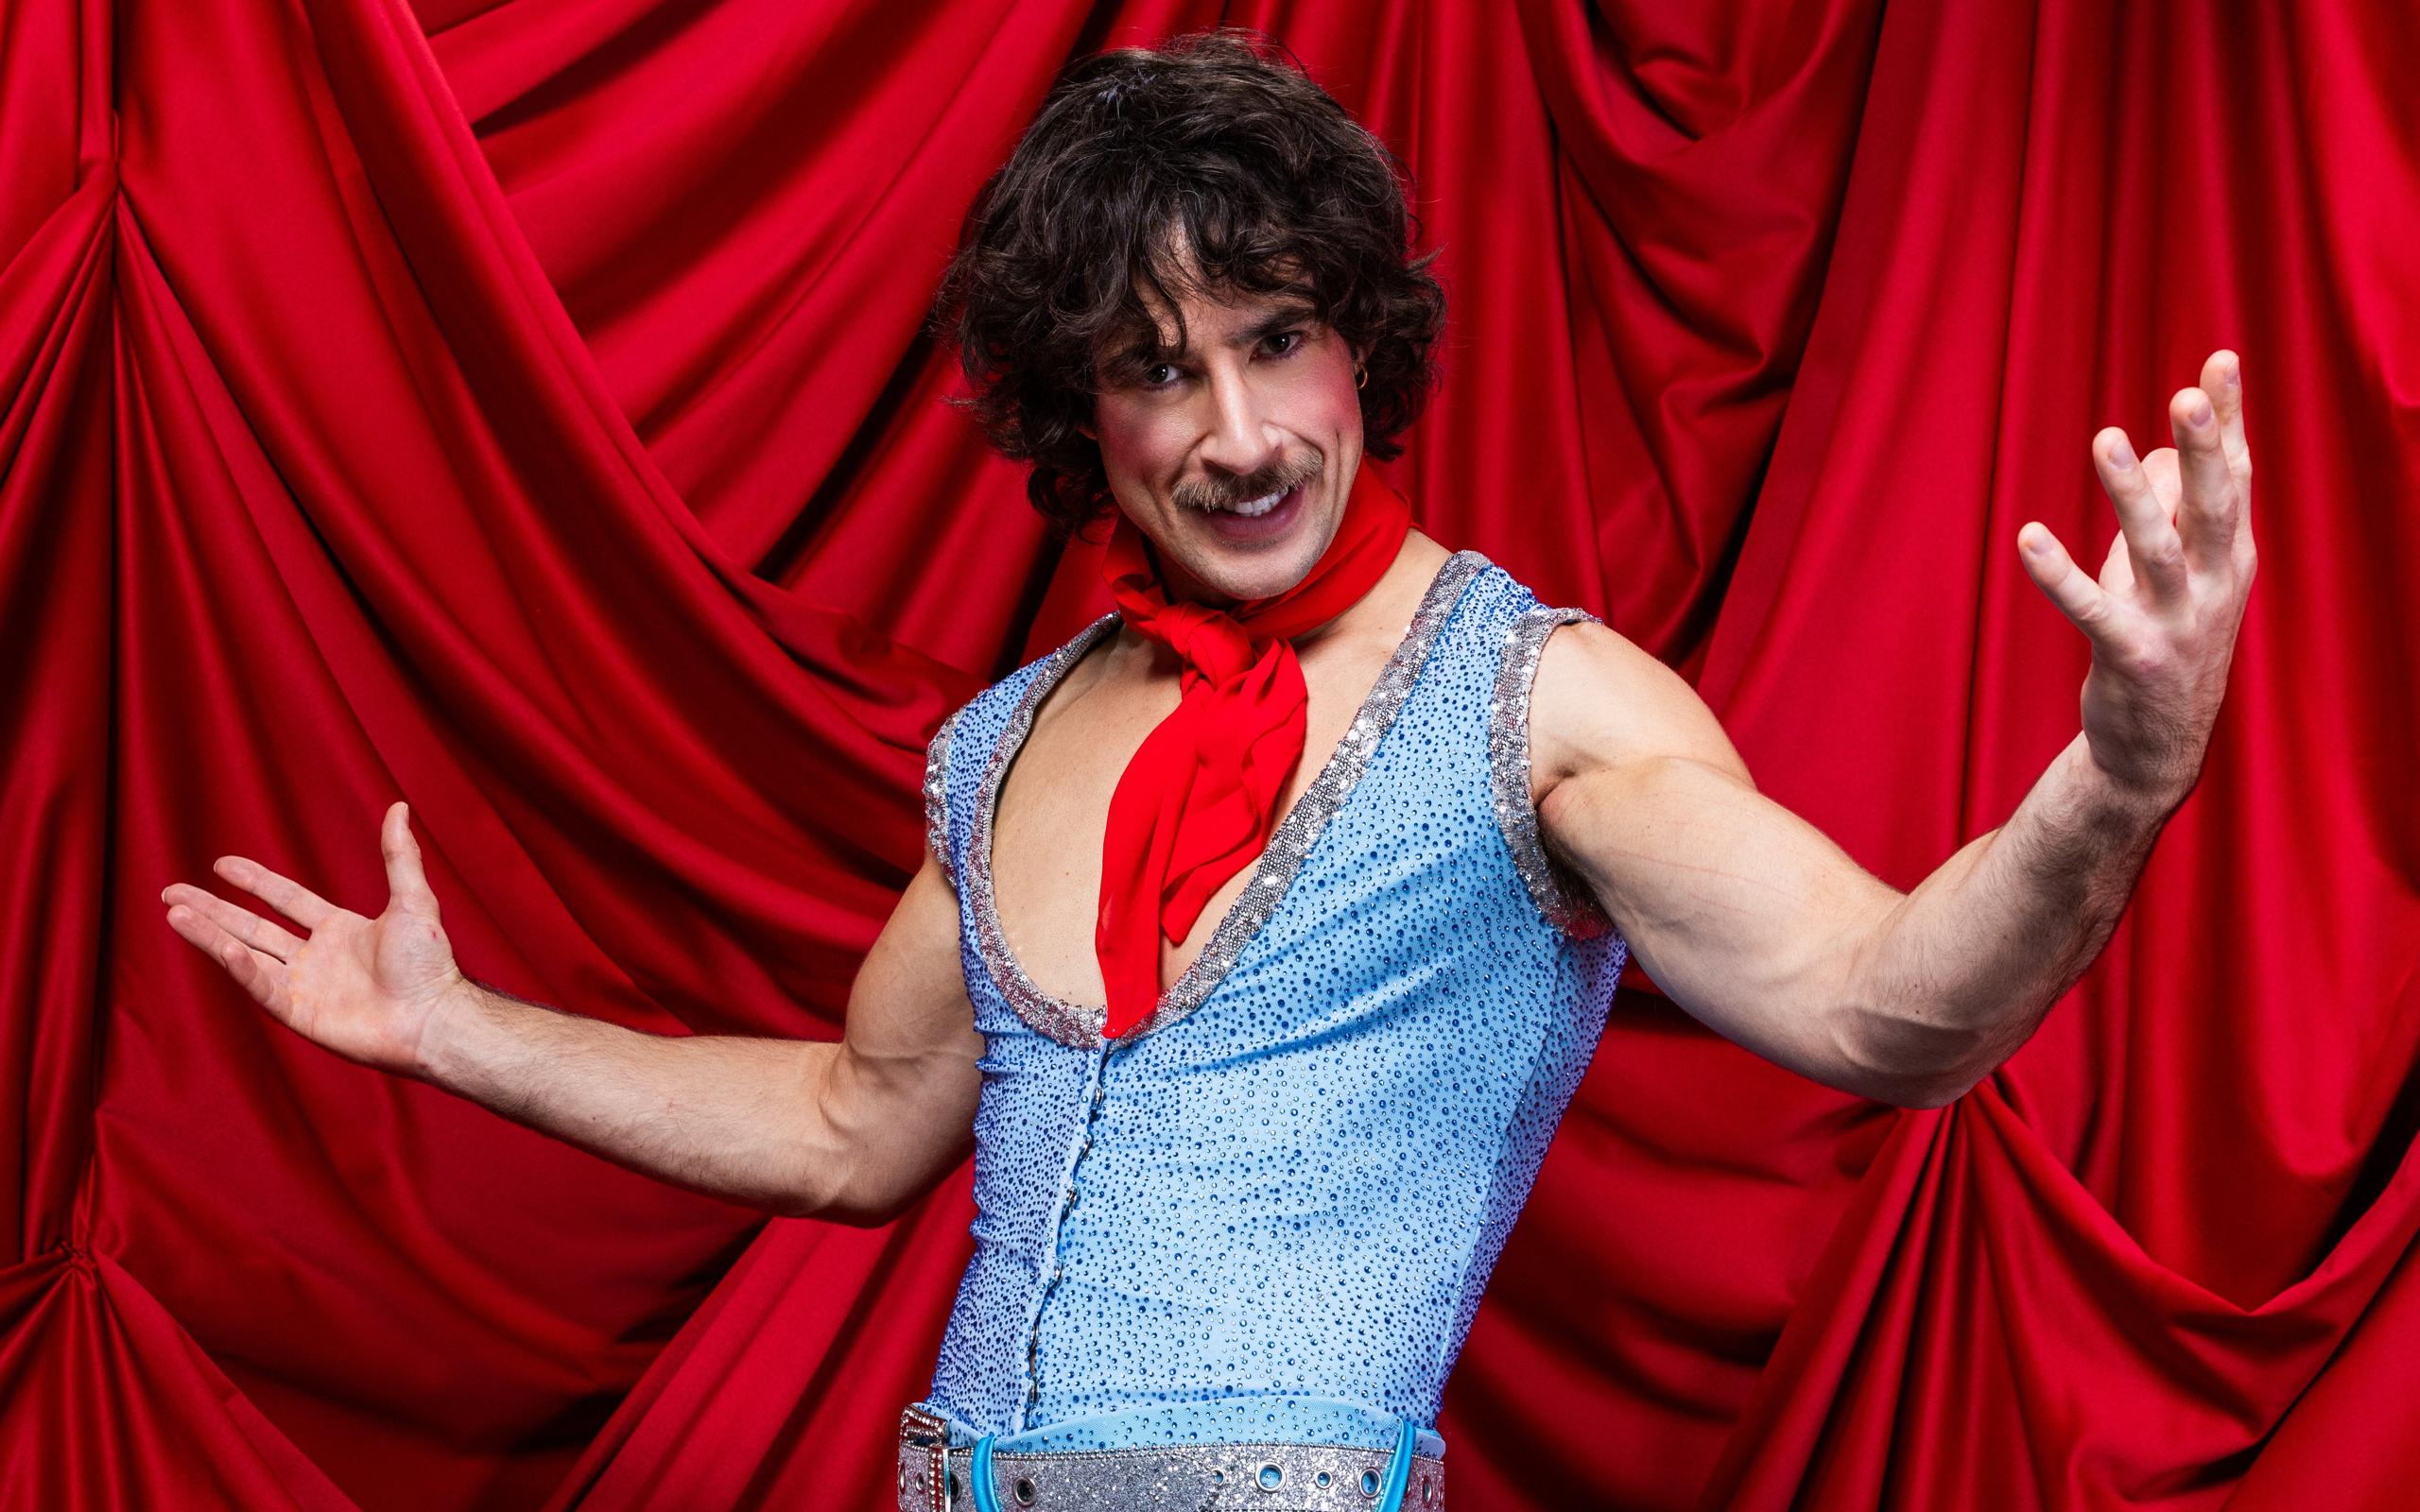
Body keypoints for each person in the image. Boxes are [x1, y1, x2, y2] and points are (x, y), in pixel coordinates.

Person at [157, 28, 2256, 1512]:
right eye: (1158, 370)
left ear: (1362, 340)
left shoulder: (1536, 705)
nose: (1237, 430)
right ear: (1083, 412)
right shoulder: (1005, 744)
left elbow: (1879, 1000)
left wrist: (2117, 772)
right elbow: (847, 1115)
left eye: (1273, 334)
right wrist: (451, 1032)